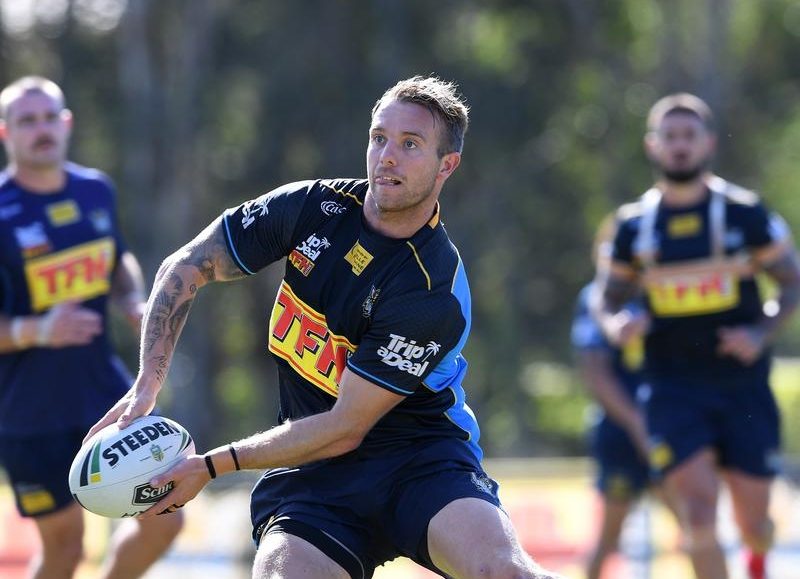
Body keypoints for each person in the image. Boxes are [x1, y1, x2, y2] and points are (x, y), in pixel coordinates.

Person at [86, 76, 561, 579]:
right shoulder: (314, 208)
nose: (387, 157)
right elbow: (185, 267)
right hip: (314, 476)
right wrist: (148, 383)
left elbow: (344, 428)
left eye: (410, 144)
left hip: (420, 461)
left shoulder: (432, 288)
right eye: (379, 138)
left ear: (447, 165)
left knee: (504, 573)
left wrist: (210, 465)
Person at [592, 92, 800, 579]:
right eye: (670, 136)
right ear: (652, 145)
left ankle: (756, 557)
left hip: (742, 387)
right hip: (672, 389)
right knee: (699, 517)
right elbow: (606, 298)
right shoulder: (633, 227)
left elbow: (792, 283)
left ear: (708, 143)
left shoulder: (745, 214)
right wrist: (617, 324)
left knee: (755, 526)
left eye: (689, 136)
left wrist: (760, 331)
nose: (680, 146)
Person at [0, 76, 184, 579]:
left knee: (166, 518)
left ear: (67, 124)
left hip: (105, 392)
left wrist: (132, 299)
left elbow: (117, 257)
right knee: (65, 549)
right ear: (6, 132)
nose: (41, 130)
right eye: (27, 121)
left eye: (49, 118)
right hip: (29, 412)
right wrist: (38, 331)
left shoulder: (95, 189)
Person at [571, 216, 651, 579]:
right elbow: (596, 373)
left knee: (696, 522)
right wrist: (637, 424)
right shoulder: (596, 299)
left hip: (669, 426)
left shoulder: (659, 293)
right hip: (621, 433)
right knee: (609, 537)